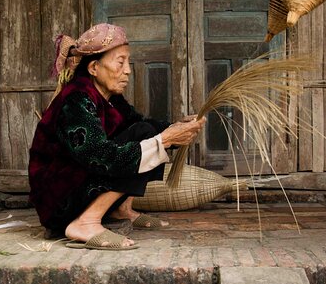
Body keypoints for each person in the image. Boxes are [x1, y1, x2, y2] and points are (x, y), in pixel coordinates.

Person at [28, 23, 205, 250]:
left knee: (146, 133)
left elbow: (141, 126)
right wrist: (166, 139)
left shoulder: (109, 97)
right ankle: (86, 222)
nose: (128, 70)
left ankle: (122, 210)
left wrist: (177, 127)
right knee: (147, 143)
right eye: (120, 62)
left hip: (79, 185)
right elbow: (98, 156)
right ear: (94, 67)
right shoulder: (75, 99)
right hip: (57, 201)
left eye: (127, 63)